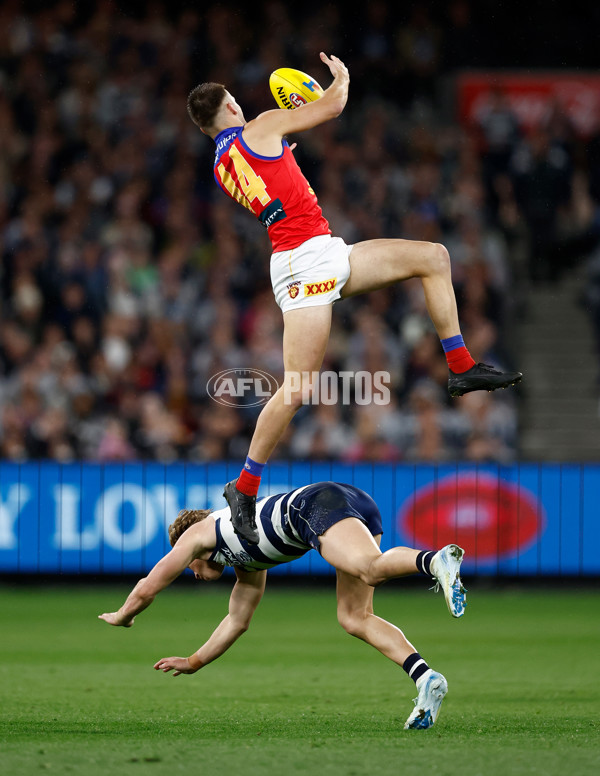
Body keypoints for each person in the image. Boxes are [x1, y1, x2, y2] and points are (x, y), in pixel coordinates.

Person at [186, 53, 522, 544]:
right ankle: (243, 487)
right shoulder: (261, 126)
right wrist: (340, 78)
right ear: (232, 108)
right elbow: (332, 107)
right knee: (298, 389)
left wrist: (281, 150)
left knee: (433, 257)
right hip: (304, 261)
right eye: (237, 101)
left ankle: (461, 365)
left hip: (317, 251)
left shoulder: (222, 162)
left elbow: (271, 181)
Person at [99, 481, 467, 730]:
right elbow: (236, 620)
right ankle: (426, 679)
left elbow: (149, 587)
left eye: (187, 562)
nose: (191, 571)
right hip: (348, 502)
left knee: (370, 569)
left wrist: (123, 615)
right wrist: (194, 662)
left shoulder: (198, 533)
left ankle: (436, 561)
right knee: (354, 616)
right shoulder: (244, 563)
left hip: (315, 506)